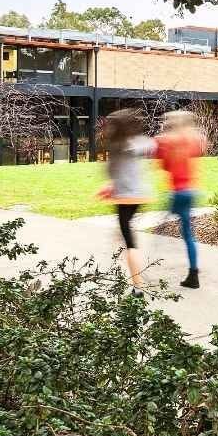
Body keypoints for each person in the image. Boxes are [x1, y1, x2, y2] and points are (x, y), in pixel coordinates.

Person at [97, 108, 153, 296]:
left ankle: (138, 287)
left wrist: (110, 185)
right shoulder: (140, 143)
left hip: (126, 197)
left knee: (129, 241)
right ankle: (131, 261)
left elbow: (111, 173)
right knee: (124, 233)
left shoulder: (116, 147)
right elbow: (152, 146)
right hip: (140, 195)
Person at [154, 109, 208, 288]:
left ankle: (150, 262)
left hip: (177, 191)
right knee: (188, 233)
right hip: (191, 191)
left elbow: (164, 166)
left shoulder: (167, 141)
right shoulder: (193, 139)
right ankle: (193, 274)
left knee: (163, 227)